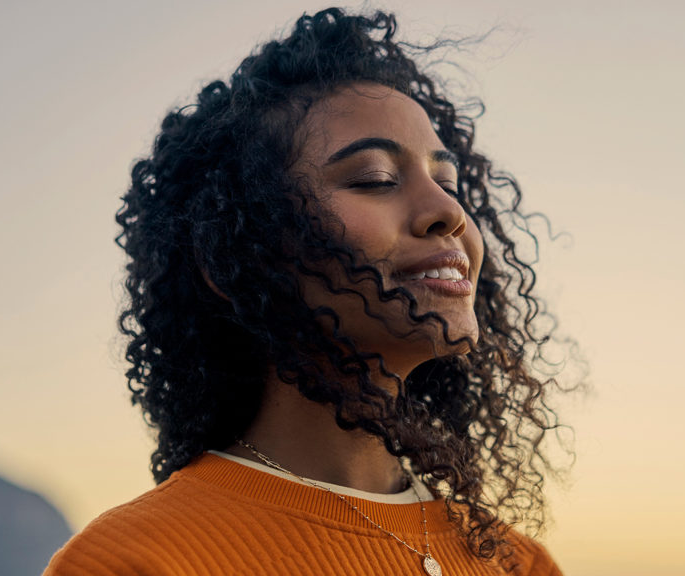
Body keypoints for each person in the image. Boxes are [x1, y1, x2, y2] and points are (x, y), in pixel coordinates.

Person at [45, 7, 567, 575]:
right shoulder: (138, 561)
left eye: (448, 184)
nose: (448, 213)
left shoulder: (515, 562)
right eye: (375, 179)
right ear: (238, 256)